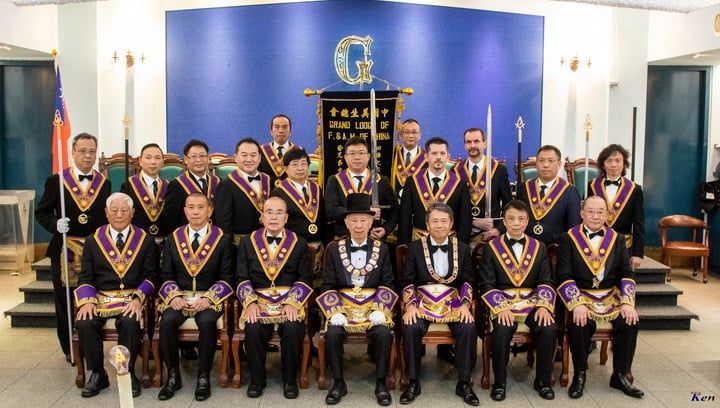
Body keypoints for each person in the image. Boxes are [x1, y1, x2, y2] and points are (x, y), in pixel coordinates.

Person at [557, 196, 644, 399]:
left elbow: (626, 274)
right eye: (591, 211)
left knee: (630, 321)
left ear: (607, 214)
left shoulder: (617, 239)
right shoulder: (568, 238)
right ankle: (579, 373)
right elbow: (563, 275)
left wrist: (627, 302)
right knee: (579, 322)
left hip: (609, 297)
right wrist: (576, 304)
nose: (595, 216)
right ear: (582, 213)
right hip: (580, 295)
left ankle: (620, 375)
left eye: (600, 212)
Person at [35, 132, 111, 364]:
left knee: (91, 297)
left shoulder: (104, 183)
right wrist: (55, 225)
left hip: (94, 250)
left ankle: (90, 344)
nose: (87, 156)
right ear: (73, 153)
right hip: (64, 249)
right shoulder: (56, 181)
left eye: (91, 152)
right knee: (65, 300)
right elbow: (42, 212)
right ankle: (70, 347)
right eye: (82, 151)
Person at [316, 193, 397, 406]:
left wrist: (381, 309)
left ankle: (381, 382)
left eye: (363, 220)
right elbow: (327, 285)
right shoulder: (334, 249)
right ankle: (338, 382)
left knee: (382, 332)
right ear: (346, 222)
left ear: (371, 222)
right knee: (332, 333)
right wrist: (334, 311)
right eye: (354, 220)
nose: (359, 225)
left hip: (373, 306)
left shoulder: (383, 249)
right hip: (343, 306)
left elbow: (388, 282)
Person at [73, 192, 158, 398]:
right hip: (101, 298)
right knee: (85, 322)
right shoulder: (93, 240)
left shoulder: (145, 240)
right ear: (106, 213)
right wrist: (86, 302)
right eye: (114, 211)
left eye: (124, 211)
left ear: (132, 213)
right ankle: (98, 373)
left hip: (131, 298)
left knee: (129, 322)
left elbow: (151, 276)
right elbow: (85, 277)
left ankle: (126, 372)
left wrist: (139, 298)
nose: (119, 215)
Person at [156, 193, 234, 401]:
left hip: (209, 299)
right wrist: (172, 296)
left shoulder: (222, 238)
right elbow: (165, 275)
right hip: (179, 297)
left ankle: (203, 377)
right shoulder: (173, 238)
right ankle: (173, 376)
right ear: (185, 211)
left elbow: (228, 277)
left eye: (201, 207)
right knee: (167, 321)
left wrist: (209, 298)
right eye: (191, 207)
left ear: (210, 210)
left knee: (207, 322)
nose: (196, 212)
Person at [399, 203, 478, 406]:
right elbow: (407, 281)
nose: (440, 225)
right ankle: (413, 382)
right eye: (435, 221)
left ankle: (464, 383)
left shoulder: (462, 248)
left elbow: (468, 281)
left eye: (444, 221)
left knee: (468, 328)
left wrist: (465, 305)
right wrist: (410, 305)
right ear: (427, 224)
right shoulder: (414, 248)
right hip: (422, 304)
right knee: (411, 327)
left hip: (453, 304)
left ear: (451, 224)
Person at [479, 200, 557, 401]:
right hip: (503, 304)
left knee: (548, 328)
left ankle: (543, 380)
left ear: (527, 221)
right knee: (502, 330)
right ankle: (500, 383)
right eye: (511, 219)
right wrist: (500, 307)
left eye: (521, 219)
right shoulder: (491, 248)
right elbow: (486, 284)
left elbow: (546, 281)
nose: (516, 223)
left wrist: (543, 306)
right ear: (503, 221)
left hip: (532, 304)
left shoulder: (539, 247)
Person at [235, 196, 312, 399]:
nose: (274, 217)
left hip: (288, 300)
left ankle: (289, 380)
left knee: (293, 327)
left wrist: (293, 302)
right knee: (252, 327)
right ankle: (257, 380)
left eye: (279, 213)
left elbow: (305, 278)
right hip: (258, 300)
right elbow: (241, 277)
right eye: (269, 212)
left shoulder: (299, 243)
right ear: (262, 217)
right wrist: (249, 303)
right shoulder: (247, 242)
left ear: (286, 218)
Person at [398, 137, 472, 245]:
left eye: (442, 153)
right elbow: (404, 218)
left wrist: (461, 250)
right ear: (426, 157)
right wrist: (404, 247)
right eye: (434, 153)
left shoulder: (460, 184)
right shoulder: (412, 182)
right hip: (418, 244)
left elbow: (464, 221)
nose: (438, 157)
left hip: (450, 245)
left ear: (448, 157)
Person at [325, 136, 399, 239]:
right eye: (352, 153)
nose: (357, 157)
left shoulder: (381, 180)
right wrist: (367, 211)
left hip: (373, 239)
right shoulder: (335, 180)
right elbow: (331, 211)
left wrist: (385, 229)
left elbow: (395, 210)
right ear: (345, 157)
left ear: (368, 156)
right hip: (343, 239)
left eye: (361, 153)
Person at [588, 144, 645, 270]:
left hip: (624, 246)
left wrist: (637, 253)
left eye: (618, 161)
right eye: (609, 161)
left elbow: (639, 223)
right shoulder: (591, 186)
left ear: (624, 164)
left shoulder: (635, 189)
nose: (613, 164)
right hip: (596, 244)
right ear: (603, 164)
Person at [456, 127, 512, 245]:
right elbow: (453, 207)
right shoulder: (456, 171)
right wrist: (473, 221)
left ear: (485, 144)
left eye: (476, 141)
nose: (472, 145)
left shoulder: (498, 170)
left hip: (491, 234)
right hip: (463, 234)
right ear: (464, 145)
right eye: (468, 142)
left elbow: (508, 205)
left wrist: (499, 230)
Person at [516, 145, 581, 245]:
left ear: (559, 164)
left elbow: (573, 228)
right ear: (536, 164)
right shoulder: (524, 187)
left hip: (555, 249)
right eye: (541, 161)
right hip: (526, 246)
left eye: (551, 161)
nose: (545, 165)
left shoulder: (570, 191)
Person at [215, 138, 272, 245]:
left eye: (253, 155)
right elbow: (223, 223)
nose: (249, 159)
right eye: (244, 155)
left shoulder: (269, 181)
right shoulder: (226, 185)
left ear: (259, 158)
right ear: (236, 158)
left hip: (268, 240)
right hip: (240, 244)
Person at [270, 147, 325, 244]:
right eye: (295, 164)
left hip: (319, 244)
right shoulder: (278, 193)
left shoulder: (316, 188)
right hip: (293, 247)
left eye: (304, 163)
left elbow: (323, 217)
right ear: (286, 169)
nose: (300, 168)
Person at [164, 139, 220, 231]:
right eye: (194, 156)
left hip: (214, 237)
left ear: (208, 158)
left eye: (202, 156)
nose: (198, 160)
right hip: (186, 237)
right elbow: (170, 219)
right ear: (186, 159)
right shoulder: (176, 185)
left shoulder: (218, 182)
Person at [120, 143, 170, 238]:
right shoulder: (129, 185)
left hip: (163, 239)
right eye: (148, 157)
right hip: (138, 241)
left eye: (157, 158)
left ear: (163, 162)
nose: (153, 162)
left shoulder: (168, 185)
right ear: (140, 161)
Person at [391, 119, 427, 197]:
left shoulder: (426, 158)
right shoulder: (393, 155)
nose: (411, 136)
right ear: (400, 135)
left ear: (420, 135)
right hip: (394, 203)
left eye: (414, 132)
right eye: (407, 132)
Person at [259, 114, 296, 185]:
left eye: (285, 127)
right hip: (267, 193)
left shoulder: (298, 151)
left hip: (291, 193)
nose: (281, 131)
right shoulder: (261, 151)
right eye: (276, 127)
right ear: (271, 131)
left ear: (290, 131)